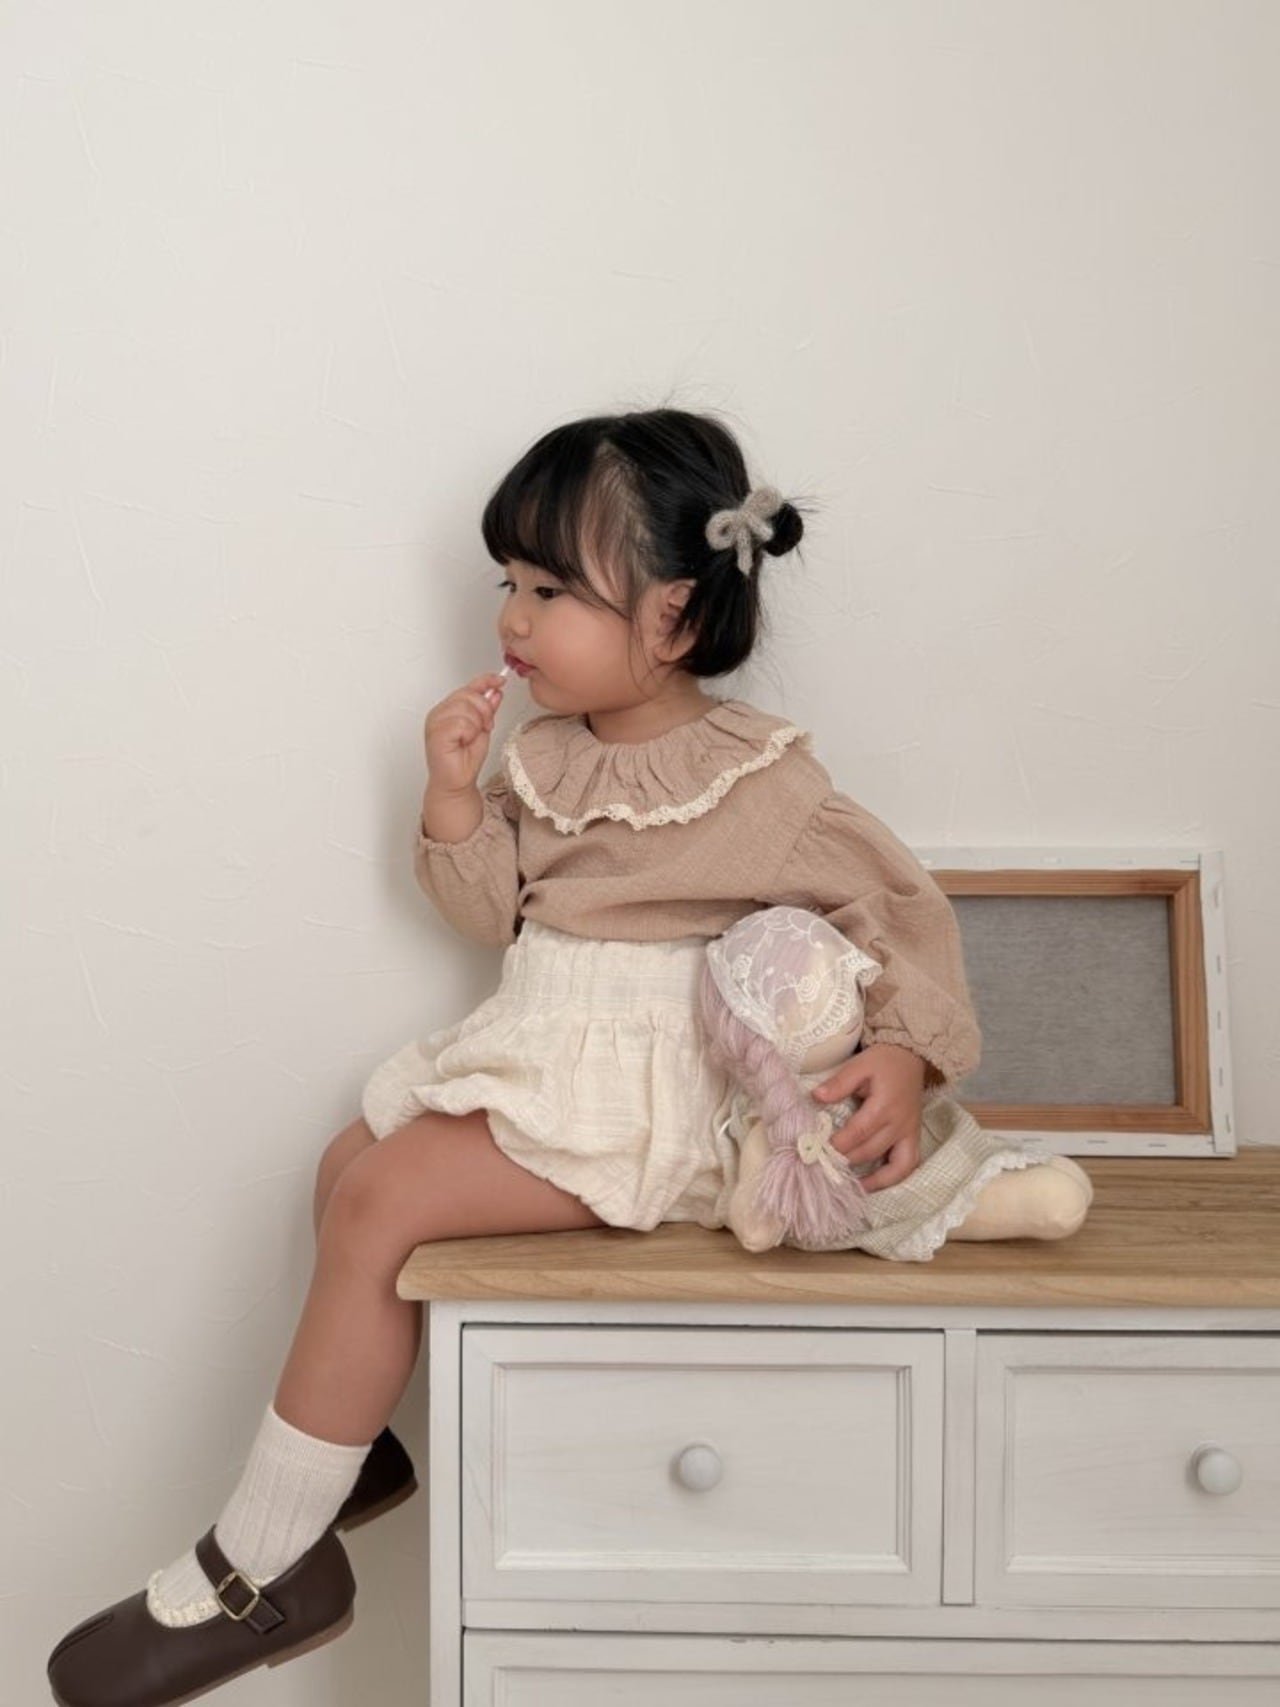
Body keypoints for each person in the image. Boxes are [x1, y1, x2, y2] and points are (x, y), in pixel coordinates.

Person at [48, 407, 986, 1707]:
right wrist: (453, 796)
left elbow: (900, 910)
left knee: (382, 1196)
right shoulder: (545, 759)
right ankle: (354, 1456)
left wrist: (907, 1053)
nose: (513, 619)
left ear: (672, 617)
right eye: (510, 583)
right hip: (547, 1046)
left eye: (551, 591)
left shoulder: (762, 782)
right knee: (348, 1164)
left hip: (654, 1092)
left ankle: (262, 1567)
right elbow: (494, 914)